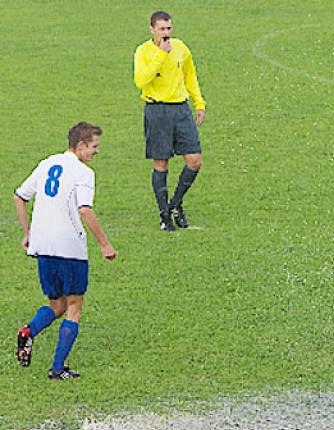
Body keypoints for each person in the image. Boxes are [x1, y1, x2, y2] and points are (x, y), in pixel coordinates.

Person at [13, 122, 117, 380]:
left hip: (42, 245)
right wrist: (104, 244)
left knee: (56, 303)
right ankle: (58, 368)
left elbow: (19, 197)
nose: (96, 152)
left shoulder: (47, 163)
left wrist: (28, 233)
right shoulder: (83, 173)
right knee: (74, 305)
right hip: (69, 246)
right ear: (80, 146)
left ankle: (28, 332)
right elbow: (84, 209)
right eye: (94, 146)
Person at [134, 10, 206, 232]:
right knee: (161, 164)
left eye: (169, 28)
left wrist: (199, 103)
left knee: (194, 160)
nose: (166, 33)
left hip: (181, 110)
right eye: (162, 29)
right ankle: (164, 214)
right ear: (152, 29)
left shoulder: (181, 48)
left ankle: (175, 205)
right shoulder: (144, 51)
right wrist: (160, 56)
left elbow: (190, 75)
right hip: (157, 111)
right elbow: (141, 80)